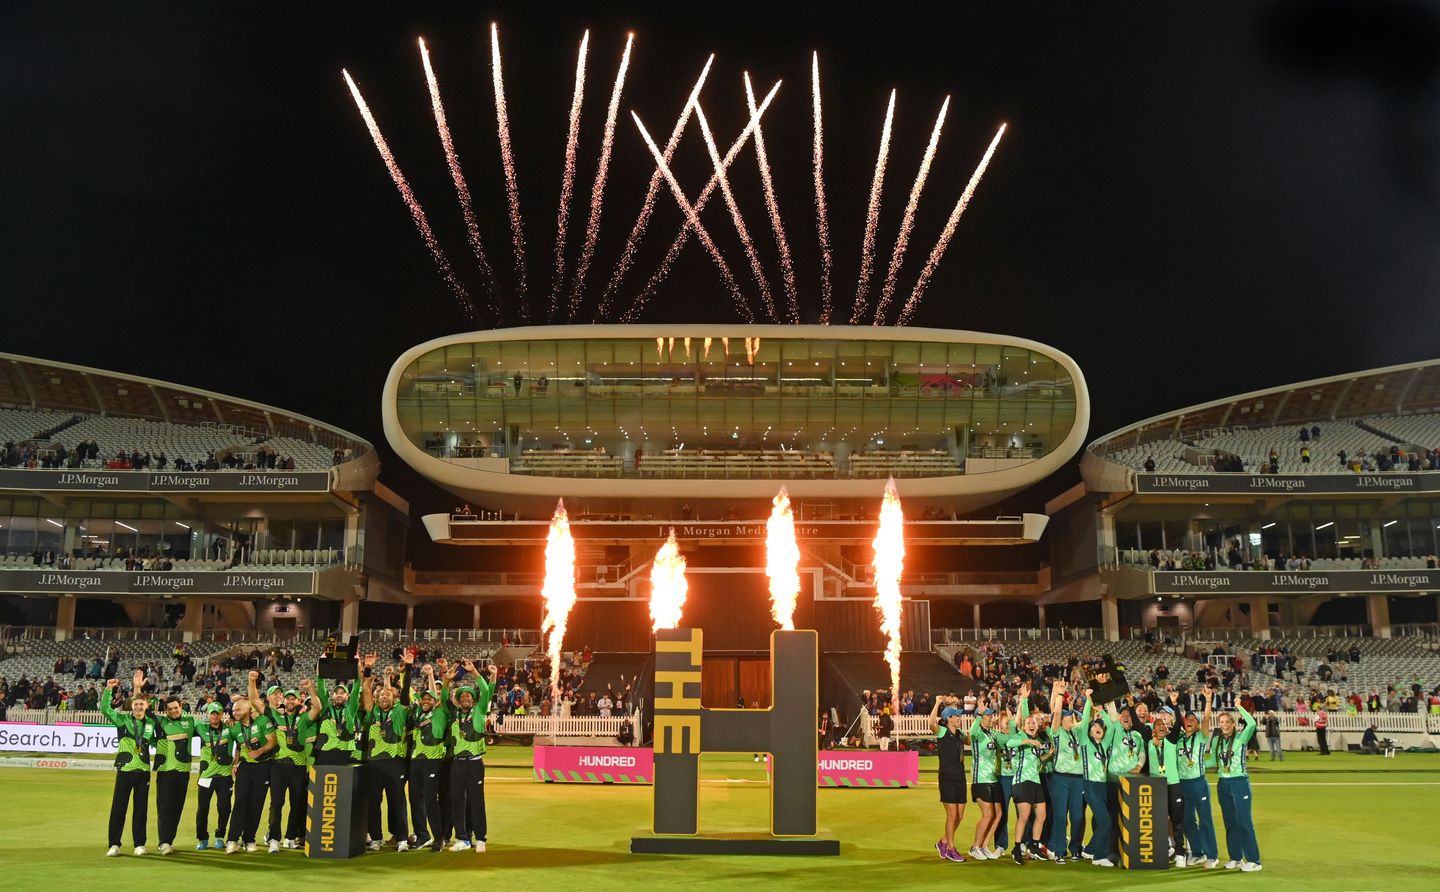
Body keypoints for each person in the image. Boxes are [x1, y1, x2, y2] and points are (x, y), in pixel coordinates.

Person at [249, 672, 314, 852]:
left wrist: (310, 689)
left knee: (297, 804)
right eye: (288, 698)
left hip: (299, 767)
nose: (291, 701)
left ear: (298, 702)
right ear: (284, 701)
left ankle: (290, 837)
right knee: (276, 804)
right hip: (278, 766)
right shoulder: (273, 715)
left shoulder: (303, 718)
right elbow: (254, 699)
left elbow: (317, 707)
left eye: (294, 698)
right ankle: (274, 839)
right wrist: (252, 680)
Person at [100, 670, 157, 857]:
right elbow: (105, 710)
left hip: (143, 771)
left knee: (141, 809)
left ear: (147, 706)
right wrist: (109, 689)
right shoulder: (123, 720)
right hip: (124, 770)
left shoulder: (152, 723)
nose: (139, 707)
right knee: (119, 808)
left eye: (142, 704)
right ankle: (114, 844)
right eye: (136, 704)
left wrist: (138, 688)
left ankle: (139, 844)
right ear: (131, 706)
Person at [361, 654, 412, 852]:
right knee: (373, 802)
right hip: (373, 763)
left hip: (394, 762)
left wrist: (407, 667)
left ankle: (401, 838)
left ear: (394, 698)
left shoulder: (399, 712)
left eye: (388, 695)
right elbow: (365, 689)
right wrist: (367, 668)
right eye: (381, 695)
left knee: (397, 801)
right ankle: (376, 838)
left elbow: (406, 693)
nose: (384, 697)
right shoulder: (372, 711)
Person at [447, 659, 498, 853]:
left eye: (469, 696)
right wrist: (447, 679)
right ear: (458, 701)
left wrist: (475, 671)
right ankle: (462, 838)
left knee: (477, 800)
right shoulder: (455, 715)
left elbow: (486, 691)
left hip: (475, 763)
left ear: (473, 700)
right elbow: (444, 696)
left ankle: (480, 837)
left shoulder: (478, 711)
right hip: (458, 763)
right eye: (462, 696)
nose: (466, 698)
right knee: (457, 801)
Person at [1004, 684, 1051, 864]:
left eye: (1034, 723)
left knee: (1041, 815)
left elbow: (1038, 760)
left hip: (1035, 780)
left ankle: (1034, 845)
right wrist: (1023, 699)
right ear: (1023, 726)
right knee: (1023, 817)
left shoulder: (1037, 740)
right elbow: (1009, 745)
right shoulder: (1019, 738)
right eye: (1028, 722)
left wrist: (1048, 754)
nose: (1032, 724)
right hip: (1022, 781)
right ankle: (1017, 848)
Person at [151, 693, 203, 855]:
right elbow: (142, 714)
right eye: (170, 709)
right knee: (165, 808)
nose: (173, 711)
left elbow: (210, 729)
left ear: (181, 707)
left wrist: (228, 723)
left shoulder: (190, 722)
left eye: (176, 708)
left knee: (177, 808)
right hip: (166, 771)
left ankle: (169, 840)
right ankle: (164, 842)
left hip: (183, 772)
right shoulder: (160, 722)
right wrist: (138, 686)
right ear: (166, 710)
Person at [224, 698, 276, 854]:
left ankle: (249, 839)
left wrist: (259, 751)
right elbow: (238, 747)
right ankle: (232, 840)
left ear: (248, 710)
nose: (235, 713)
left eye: (238, 710)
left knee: (256, 804)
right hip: (245, 768)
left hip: (263, 766)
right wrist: (235, 763)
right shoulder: (234, 728)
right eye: (233, 710)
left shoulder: (262, 721)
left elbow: (272, 741)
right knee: (240, 803)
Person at [1214, 702, 1262, 871]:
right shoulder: (1218, 741)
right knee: (1230, 823)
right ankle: (1236, 857)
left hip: (1240, 782)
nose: (1224, 725)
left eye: (1228, 722)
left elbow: (1252, 723)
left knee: (1244, 822)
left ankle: (1254, 861)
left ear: (1233, 724)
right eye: (1221, 723)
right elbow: (1213, 761)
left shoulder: (1242, 737)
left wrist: (1239, 707)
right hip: (1223, 784)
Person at [408, 663, 450, 852]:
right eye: (423, 698)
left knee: (430, 800)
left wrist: (431, 674)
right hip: (415, 760)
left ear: (435, 702)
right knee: (415, 799)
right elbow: (411, 696)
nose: (426, 700)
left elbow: (437, 695)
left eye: (430, 699)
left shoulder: (439, 713)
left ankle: (438, 837)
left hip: (433, 761)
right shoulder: (418, 712)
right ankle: (422, 835)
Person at [1045, 681, 1087, 864]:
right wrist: (1059, 695)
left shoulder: (1077, 732)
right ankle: (1059, 849)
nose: (1071, 719)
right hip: (1060, 778)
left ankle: (1076, 847)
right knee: (1061, 816)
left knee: (1077, 816)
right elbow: (1055, 715)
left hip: (1078, 779)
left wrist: (1090, 700)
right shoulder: (1057, 732)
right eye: (1067, 717)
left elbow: (1086, 719)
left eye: (1072, 717)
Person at [1177, 698, 1220, 868]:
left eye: (1193, 720)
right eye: (1187, 719)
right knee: (1187, 820)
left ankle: (1212, 855)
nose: (1189, 722)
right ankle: (1197, 852)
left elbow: (1207, 719)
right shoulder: (1179, 739)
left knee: (1205, 820)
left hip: (1198, 783)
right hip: (1183, 784)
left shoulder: (1201, 737)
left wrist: (1208, 701)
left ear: (1197, 724)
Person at [928, 695, 967, 862]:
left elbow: (971, 740)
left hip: (960, 777)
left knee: (960, 816)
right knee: (952, 815)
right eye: (956, 715)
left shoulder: (959, 734)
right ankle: (951, 848)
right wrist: (937, 703)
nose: (959, 718)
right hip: (947, 778)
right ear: (948, 718)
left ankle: (943, 842)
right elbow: (931, 724)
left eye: (959, 715)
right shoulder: (942, 732)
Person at [1078, 694, 1115, 867]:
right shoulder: (1085, 742)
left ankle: (1090, 849)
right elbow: (1085, 721)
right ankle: (1099, 857)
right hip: (1090, 785)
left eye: (1101, 726)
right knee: (1105, 822)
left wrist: (1103, 712)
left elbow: (1113, 728)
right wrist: (1088, 701)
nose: (1098, 727)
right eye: (1095, 726)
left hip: (1103, 786)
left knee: (1105, 821)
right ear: (1090, 730)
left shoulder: (1104, 744)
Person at [966, 697, 1005, 860]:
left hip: (992, 778)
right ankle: (975, 847)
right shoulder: (977, 733)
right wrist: (978, 715)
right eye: (988, 716)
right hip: (981, 779)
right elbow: (971, 733)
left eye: (990, 715)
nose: (991, 718)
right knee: (987, 814)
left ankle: (984, 845)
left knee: (999, 813)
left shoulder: (991, 733)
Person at [1146, 711, 1186, 866]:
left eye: (1163, 724)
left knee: (1177, 820)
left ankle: (1181, 852)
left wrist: (1175, 705)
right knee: (1158, 820)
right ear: (1153, 730)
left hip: (1173, 784)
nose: (1161, 726)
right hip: (1157, 787)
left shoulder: (1171, 740)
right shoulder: (1149, 743)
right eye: (1157, 725)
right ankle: (1165, 848)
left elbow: (1178, 723)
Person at [194, 702, 235, 850]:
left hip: (224, 776)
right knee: (202, 809)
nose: (215, 716)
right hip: (206, 776)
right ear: (208, 714)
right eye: (212, 713)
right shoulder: (201, 727)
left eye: (217, 713)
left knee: (224, 808)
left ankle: (220, 836)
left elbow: (241, 745)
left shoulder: (230, 729)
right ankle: (202, 838)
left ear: (222, 713)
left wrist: (236, 764)